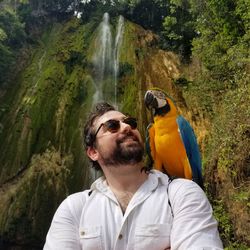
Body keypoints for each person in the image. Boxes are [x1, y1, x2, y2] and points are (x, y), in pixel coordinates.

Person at [44, 102, 223, 250]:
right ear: (92, 152)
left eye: (131, 122)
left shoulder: (181, 194)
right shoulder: (74, 209)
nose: (127, 126)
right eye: (112, 126)